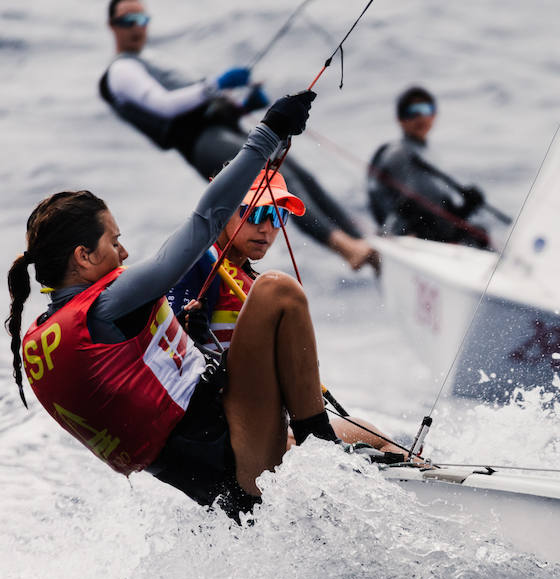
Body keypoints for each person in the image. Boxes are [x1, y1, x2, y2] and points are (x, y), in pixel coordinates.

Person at [7, 91, 377, 518]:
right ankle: (322, 457)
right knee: (278, 291)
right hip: (241, 465)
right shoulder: (105, 309)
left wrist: (190, 335)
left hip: (221, 482)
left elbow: (147, 391)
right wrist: (268, 133)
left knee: (373, 437)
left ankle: (358, 453)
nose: (124, 253)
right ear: (83, 256)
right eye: (114, 241)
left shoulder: (51, 331)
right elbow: (205, 220)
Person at [100, 0, 378, 271]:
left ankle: (361, 239)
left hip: (219, 130)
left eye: (142, 20)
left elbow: (200, 106)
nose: (137, 27)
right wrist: (216, 84)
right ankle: (348, 249)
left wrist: (244, 105)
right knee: (279, 181)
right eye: (128, 20)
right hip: (202, 144)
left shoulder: (148, 60)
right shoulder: (121, 70)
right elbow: (164, 105)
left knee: (301, 174)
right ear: (113, 25)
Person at [165, 167, 404, 453]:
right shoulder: (204, 258)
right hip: (225, 425)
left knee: (379, 439)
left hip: (269, 417)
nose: (266, 228)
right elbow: (165, 346)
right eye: (253, 214)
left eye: (278, 216)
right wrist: (187, 327)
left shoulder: (248, 279)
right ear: (224, 210)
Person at [367, 86, 492, 249]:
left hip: (435, 242)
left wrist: (465, 208)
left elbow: (435, 210)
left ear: (434, 115)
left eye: (425, 109)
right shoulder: (397, 153)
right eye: (412, 112)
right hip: (407, 244)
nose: (420, 117)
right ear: (400, 119)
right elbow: (393, 207)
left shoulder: (429, 155)